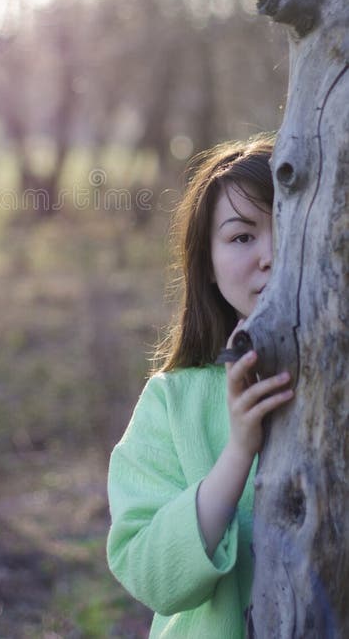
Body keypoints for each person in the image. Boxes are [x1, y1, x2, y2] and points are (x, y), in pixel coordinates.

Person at [106, 135, 295, 638]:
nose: (272, 256)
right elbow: (150, 574)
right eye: (241, 237)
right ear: (206, 266)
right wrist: (238, 453)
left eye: (292, 225)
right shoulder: (172, 402)